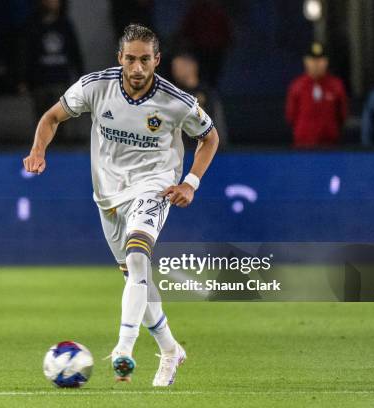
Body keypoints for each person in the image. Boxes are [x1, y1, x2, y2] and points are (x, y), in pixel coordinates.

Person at [23, 24, 219, 386]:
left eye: (145, 59)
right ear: (120, 59)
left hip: (155, 187)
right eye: (131, 59)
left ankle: (123, 349)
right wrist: (38, 150)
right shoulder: (95, 87)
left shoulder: (177, 102)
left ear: (157, 61)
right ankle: (171, 349)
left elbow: (209, 138)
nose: (138, 68)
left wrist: (190, 182)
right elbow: (51, 117)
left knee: (137, 256)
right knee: (136, 277)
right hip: (108, 197)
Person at [20, 0, 84, 122]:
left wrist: (81, 77)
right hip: (39, 82)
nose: (51, 3)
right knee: (42, 119)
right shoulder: (32, 25)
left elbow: (75, 53)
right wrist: (23, 79)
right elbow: (26, 53)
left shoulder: (65, 25)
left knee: (61, 119)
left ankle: (61, 139)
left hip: (61, 80)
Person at [285, 43, 348, 148]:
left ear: (326, 62)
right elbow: (291, 116)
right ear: (306, 61)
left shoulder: (336, 85)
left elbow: (342, 115)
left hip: (330, 146)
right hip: (303, 146)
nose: (316, 64)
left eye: (320, 60)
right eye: (312, 60)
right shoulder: (297, 86)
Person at [171, 52, 228, 147]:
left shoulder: (208, 94)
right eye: (174, 69)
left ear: (192, 66)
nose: (176, 72)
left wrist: (221, 146)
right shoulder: (175, 94)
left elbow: (218, 122)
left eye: (179, 68)